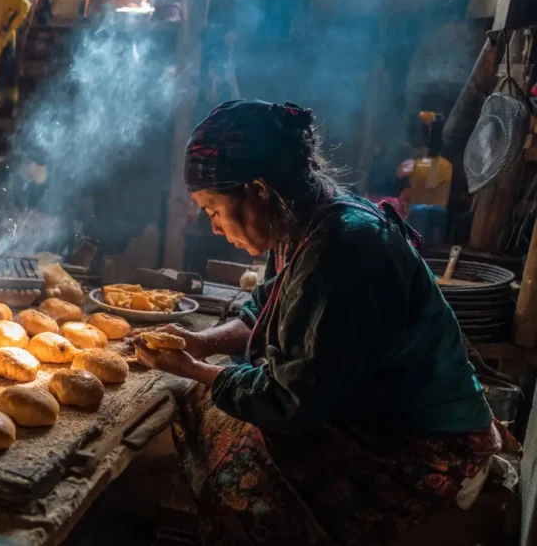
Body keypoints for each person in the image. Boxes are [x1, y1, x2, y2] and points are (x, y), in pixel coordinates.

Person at [137, 100, 503, 545]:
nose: (213, 227)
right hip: (373, 410)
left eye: (213, 210)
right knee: (208, 401)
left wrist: (195, 369)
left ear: (258, 190)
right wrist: (199, 342)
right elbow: (263, 314)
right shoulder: (300, 222)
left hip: (427, 445)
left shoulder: (341, 250)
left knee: (235, 467)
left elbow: (292, 401)